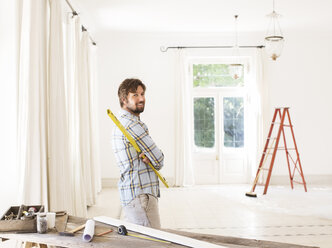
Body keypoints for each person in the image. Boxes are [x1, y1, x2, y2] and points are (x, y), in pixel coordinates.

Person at [112, 78, 164, 229]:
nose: (141, 98)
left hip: (132, 195)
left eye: (142, 94)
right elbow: (159, 159)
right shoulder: (132, 125)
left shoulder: (120, 123)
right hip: (141, 196)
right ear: (123, 99)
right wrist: (154, 158)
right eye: (135, 95)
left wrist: (151, 158)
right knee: (153, 243)